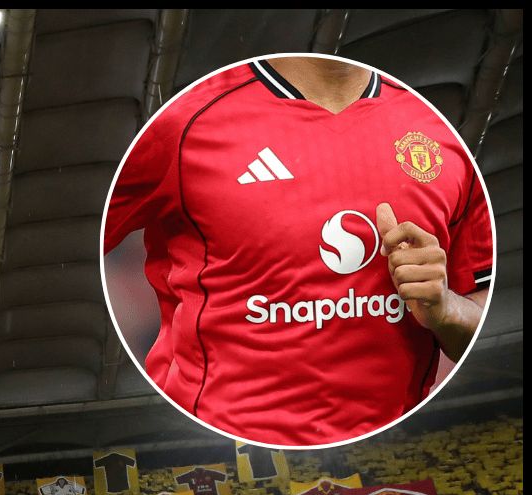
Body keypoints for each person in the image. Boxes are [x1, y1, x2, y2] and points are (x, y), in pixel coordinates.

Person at [104, 54, 492, 447]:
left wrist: (446, 310)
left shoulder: (439, 135)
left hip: (397, 449)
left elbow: (484, 322)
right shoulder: (182, 123)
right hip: (214, 449)